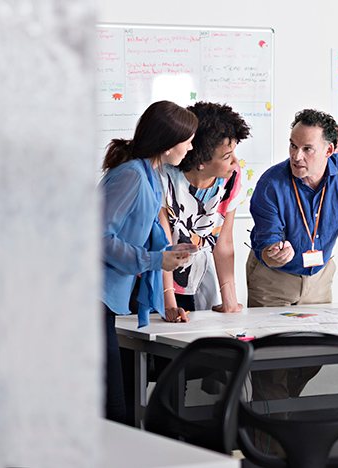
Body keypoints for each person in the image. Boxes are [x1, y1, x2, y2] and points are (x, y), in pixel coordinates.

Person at [100, 100, 197, 423]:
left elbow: (149, 231)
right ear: (169, 144)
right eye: (188, 140)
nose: (191, 146)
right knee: (114, 407)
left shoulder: (150, 175)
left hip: (104, 299)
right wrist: (156, 259)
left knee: (118, 402)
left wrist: (173, 252)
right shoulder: (131, 176)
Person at [247, 108, 338, 312]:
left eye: (307, 149)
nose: (296, 156)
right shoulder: (270, 183)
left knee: (318, 339)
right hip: (274, 278)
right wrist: (274, 253)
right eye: (293, 146)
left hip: (319, 277)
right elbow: (267, 245)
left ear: (329, 151)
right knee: (272, 342)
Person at [159, 102, 249, 314]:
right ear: (200, 160)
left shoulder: (231, 179)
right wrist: (169, 304)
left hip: (197, 277)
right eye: (227, 157)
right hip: (158, 279)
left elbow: (224, 242)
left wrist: (229, 300)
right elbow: (163, 245)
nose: (235, 162)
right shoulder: (163, 178)